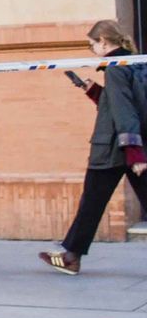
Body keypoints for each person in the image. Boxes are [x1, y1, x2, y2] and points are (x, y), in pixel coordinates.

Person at [40, 20, 147, 275]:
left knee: (91, 203)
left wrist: (134, 153)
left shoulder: (114, 68)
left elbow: (124, 111)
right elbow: (124, 104)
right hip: (133, 144)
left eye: (92, 45)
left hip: (113, 148)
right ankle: (70, 256)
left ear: (103, 41)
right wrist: (92, 91)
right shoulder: (135, 63)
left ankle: (71, 258)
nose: (92, 50)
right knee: (94, 203)